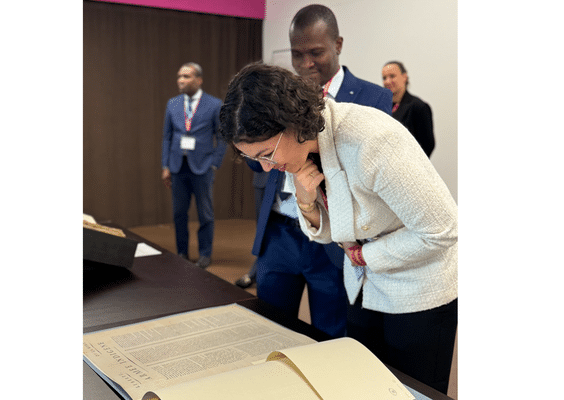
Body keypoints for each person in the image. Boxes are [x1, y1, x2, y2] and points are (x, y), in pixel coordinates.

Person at [219, 63, 458, 395]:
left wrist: (362, 255)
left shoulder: (373, 140)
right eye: (252, 158)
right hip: (362, 285)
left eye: (265, 155)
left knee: (411, 389)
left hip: (418, 290)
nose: (265, 167)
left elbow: (442, 230)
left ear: (292, 123)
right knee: (365, 383)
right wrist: (305, 200)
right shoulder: (298, 149)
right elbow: (332, 230)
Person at [232, 4, 392, 337]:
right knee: (270, 327)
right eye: (297, 53)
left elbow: (365, 168)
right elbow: (256, 160)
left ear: (338, 45)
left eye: (316, 52)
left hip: (333, 237)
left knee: (331, 331)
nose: (306, 63)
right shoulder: (279, 94)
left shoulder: (372, 98)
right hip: (279, 230)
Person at [161, 62, 227, 269]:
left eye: (186, 76)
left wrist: (215, 163)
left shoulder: (214, 104)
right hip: (178, 167)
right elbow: (167, 137)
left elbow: (222, 136)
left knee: (205, 214)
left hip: (203, 167)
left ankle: (205, 254)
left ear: (199, 80)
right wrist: (165, 166)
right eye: (179, 76)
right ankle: (182, 252)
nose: (181, 80)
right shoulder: (172, 104)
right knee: (179, 213)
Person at [382, 61, 435, 157]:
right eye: (384, 78)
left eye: (392, 76)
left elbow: (427, 145)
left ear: (404, 77)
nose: (387, 81)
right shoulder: (382, 107)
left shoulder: (419, 107)